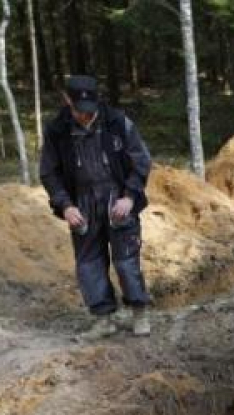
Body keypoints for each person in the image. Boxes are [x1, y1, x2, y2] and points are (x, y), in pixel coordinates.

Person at [40, 75, 152, 338]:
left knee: (126, 260)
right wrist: (65, 205)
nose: (85, 117)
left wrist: (130, 197)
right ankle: (103, 319)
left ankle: (139, 313)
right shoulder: (57, 130)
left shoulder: (117, 122)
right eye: (79, 112)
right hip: (82, 202)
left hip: (118, 197)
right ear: (67, 101)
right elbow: (49, 173)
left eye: (90, 112)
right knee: (89, 262)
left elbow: (142, 161)